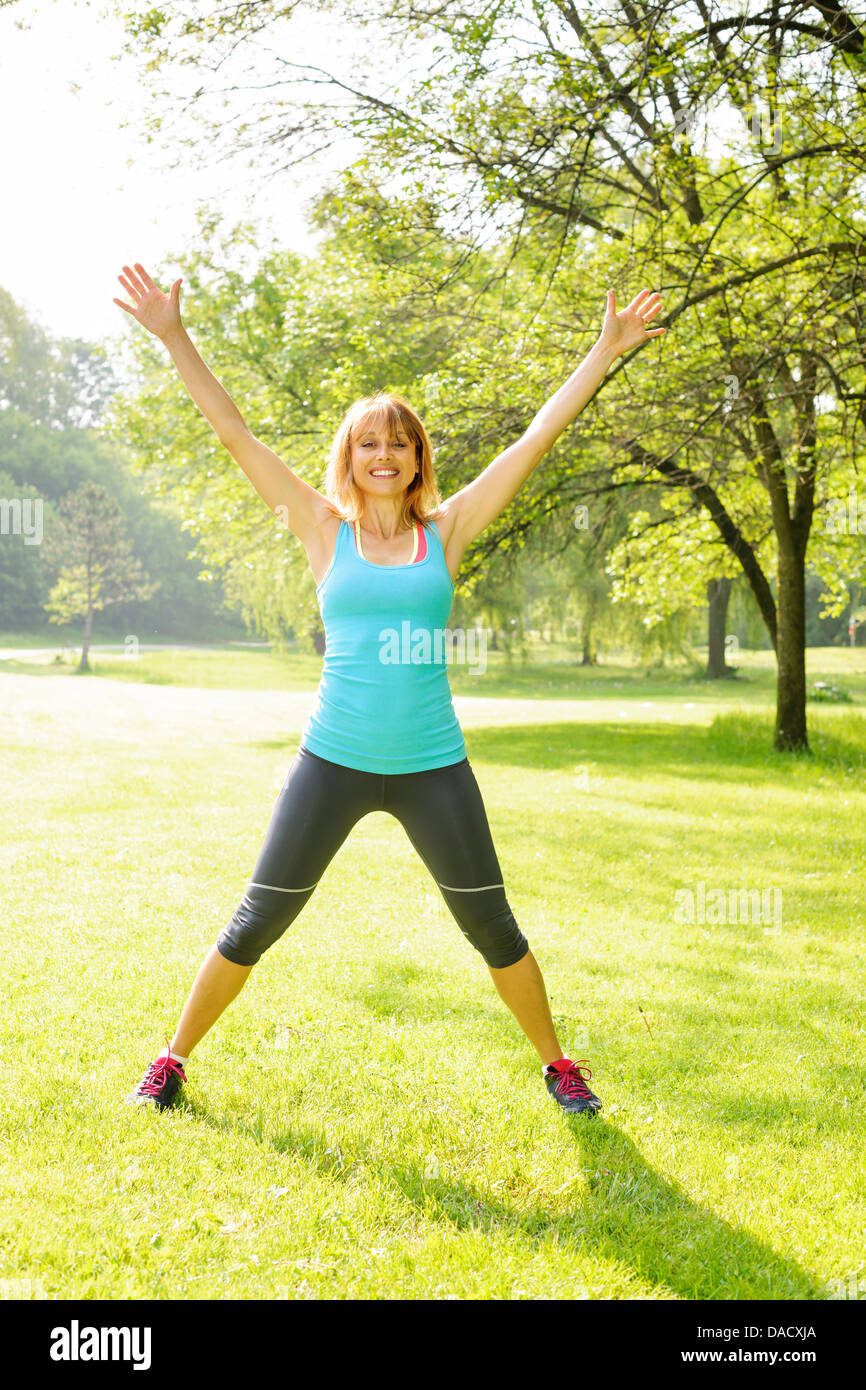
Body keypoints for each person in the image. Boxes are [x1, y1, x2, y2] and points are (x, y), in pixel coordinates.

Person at [114, 261, 665, 1118]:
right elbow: (236, 435)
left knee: (493, 929)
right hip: (330, 761)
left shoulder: (446, 532)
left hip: (431, 766)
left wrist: (605, 349)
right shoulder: (317, 526)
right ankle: (171, 1062)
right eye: (368, 442)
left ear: (416, 461)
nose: (383, 454)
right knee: (257, 922)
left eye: (398, 442)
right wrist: (174, 334)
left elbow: (534, 439)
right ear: (349, 458)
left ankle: (559, 1066)